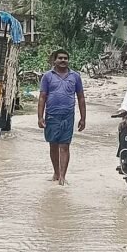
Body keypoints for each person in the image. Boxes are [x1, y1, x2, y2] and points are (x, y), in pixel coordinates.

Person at [38, 49, 87, 186]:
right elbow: (42, 97)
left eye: (65, 58)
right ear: (54, 60)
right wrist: (40, 117)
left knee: (65, 145)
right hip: (51, 115)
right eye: (60, 58)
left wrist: (83, 118)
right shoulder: (47, 77)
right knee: (53, 145)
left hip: (68, 116)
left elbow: (81, 97)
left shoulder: (75, 77)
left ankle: (63, 177)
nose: (63, 60)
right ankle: (56, 173)